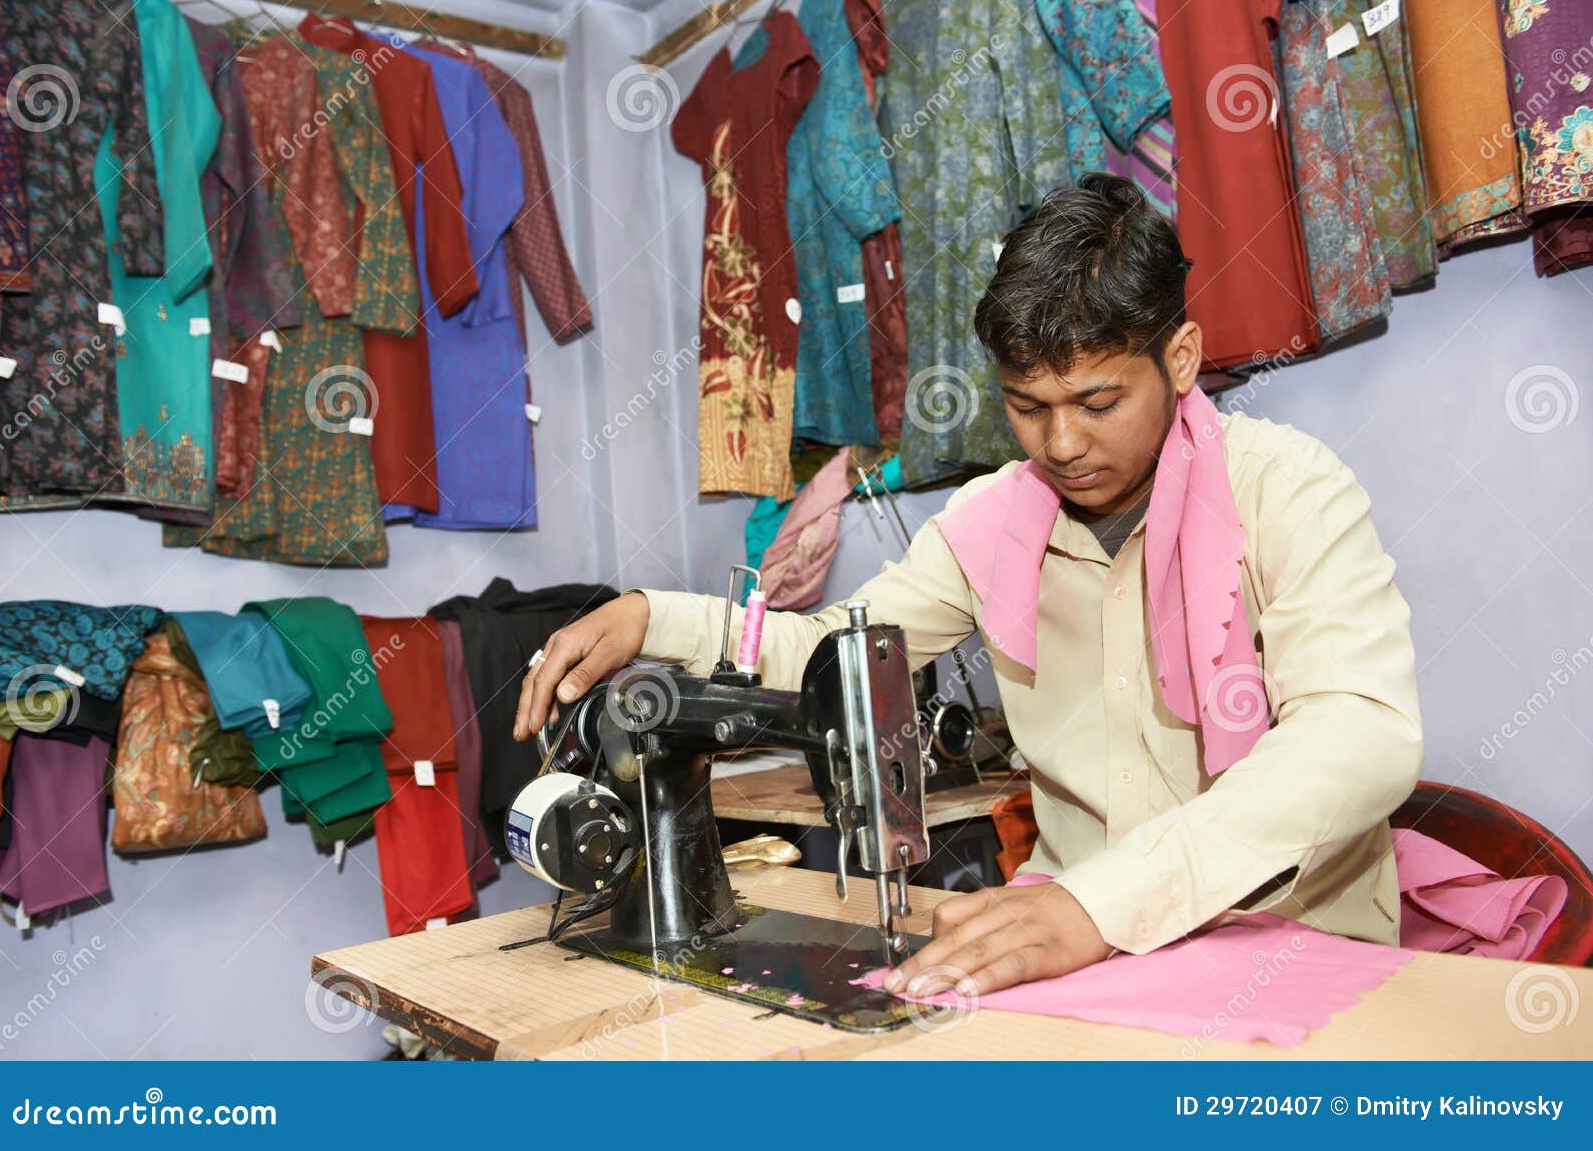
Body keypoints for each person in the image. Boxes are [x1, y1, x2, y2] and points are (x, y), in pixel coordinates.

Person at [513, 172, 1423, 999]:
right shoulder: (994, 522)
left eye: (1098, 403)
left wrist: (1099, 905)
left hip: (1285, 941)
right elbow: (832, 654)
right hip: (1079, 943)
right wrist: (648, 617)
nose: (1060, 445)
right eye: (1027, 408)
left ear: (1180, 359)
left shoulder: (1288, 490)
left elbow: (1359, 734)